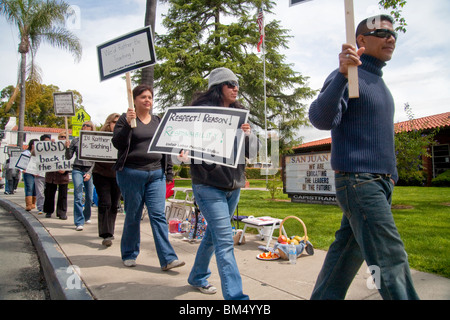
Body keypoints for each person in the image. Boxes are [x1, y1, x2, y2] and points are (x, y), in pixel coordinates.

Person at [308, 15, 419, 300]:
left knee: (345, 255)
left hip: (380, 183)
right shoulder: (346, 75)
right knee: (391, 260)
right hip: (360, 181)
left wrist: (391, 175)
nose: (390, 38)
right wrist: (343, 75)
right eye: (382, 33)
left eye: (393, 34)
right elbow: (321, 118)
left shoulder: (378, 82)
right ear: (361, 40)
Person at [179, 67, 257, 300]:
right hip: (207, 184)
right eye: (230, 84)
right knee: (224, 241)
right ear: (218, 87)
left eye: (237, 84)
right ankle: (236, 299)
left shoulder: (241, 114)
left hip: (233, 186)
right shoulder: (200, 114)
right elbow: (184, 142)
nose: (236, 88)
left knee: (213, 236)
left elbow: (253, 152)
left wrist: (249, 135)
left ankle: (197, 276)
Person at [112, 84, 185, 271]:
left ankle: (168, 259)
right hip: (131, 174)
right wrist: (128, 125)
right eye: (143, 97)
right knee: (133, 216)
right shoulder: (125, 119)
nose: (147, 100)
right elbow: (118, 143)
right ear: (134, 100)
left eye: (150, 97)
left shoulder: (158, 121)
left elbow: (166, 148)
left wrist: (168, 172)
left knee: (158, 215)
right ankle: (129, 254)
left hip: (156, 175)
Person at [93, 113, 121, 247]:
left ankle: (111, 229)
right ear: (108, 123)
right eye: (114, 122)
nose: (116, 124)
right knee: (105, 203)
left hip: (118, 175)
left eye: (119, 122)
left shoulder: (124, 137)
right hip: (101, 174)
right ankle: (106, 234)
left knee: (114, 204)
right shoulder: (98, 138)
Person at [66, 121, 95, 231]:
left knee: (89, 196)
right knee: (78, 195)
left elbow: (95, 160)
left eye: (88, 126)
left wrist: (90, 173)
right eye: (84, 125)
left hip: (88, 169)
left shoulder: (95, 141)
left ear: (92, 128)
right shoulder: (76, 140)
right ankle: (79, 221)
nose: (85, 127)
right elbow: (68, 157)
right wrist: (68, 147)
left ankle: (86, 215)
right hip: (77, 169)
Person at [43, 132, 70, 220]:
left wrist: (66, 169)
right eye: (61, 137)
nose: (62, 138)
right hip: (51, 175)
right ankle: (48, 211)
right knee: (49, 194)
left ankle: (62, 212)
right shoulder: (52, 146)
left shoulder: (69, 148)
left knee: (63, 195)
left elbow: (71, 160)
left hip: (63, 176)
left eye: (64, 137)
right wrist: (49, 145)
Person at [34, 134, 51, 215]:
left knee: (47, 192)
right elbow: (32, 158)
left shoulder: (52, 149)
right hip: (39, 174)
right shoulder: (37, 149)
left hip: (48, 174)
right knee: (40, 192)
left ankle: (47, 207)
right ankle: (40, 207)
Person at [22, 139, 39, 211]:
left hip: (36, 173)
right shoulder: (26, 153)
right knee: (29, 187)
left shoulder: (39, 154)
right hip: (28, 172)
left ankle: (33, 204)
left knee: (35, 188)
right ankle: (28, 204)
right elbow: (22, 162)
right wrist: (23, 169)